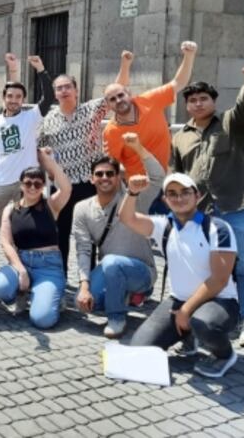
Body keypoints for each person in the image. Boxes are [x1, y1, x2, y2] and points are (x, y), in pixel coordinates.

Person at [171, 62, 244, 348]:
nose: (198, 103)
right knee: (210, 268)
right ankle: (217, 317)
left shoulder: (231, 123)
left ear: (213, 101)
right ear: (187, 106)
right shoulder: (180, 137)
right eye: (192, 100)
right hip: (204, 215)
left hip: (240, 205)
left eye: (203, 98)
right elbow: (176, 177)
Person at [122, 173, 241, 379]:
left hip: (220, 301)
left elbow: (219, 280)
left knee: (204, 323)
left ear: (198, 196)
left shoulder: (217, 229)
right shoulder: (163, 226)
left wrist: (186, 310)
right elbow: (127, 218)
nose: (179, 198)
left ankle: (224, 355)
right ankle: (189, 336)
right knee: (140, 348)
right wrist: (131, 192)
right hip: (178, 300)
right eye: (172, 194)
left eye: (185, 192)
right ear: (165, 200)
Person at [39, 50, 134, 277]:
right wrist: (49, 170)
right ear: (55, 94)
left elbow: (117, 89)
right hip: (64, 186)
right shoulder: (47, 119)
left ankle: (88, 277)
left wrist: (125, 63)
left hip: (89, 184)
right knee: (60, 233)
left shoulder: (90, 109)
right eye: (59, 88)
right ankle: (60, 277)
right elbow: (40, 150)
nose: (63, 91)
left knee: (90, 233)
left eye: (67, 87)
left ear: (76, 90)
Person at [72, 133, 163, 338]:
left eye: (110, 174)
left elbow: (158, 177)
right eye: (100, 174)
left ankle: (117, 316)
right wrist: (84, 286)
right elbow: (83, 250)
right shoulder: (82, 208)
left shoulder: (134, 198)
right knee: (83, 304)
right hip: (109, 271)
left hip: (142, 273)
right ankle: (126, 296)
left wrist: (139, 148)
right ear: (91, 178)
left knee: (112, 262)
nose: (105, 178)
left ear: (118, 177)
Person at [0, 148, 72, 328]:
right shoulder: (11, 209)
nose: (32, 187)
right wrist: (21, 270)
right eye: (28, 183)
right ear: (21, 185)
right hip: (22, 261)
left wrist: (49, 162)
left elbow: (66, 188)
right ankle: (22, 293)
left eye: (37, 184)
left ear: (43, 186)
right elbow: (7, 243)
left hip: (48, 266)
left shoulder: (51, 205)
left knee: (42, 320)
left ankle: (48, 295)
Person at [0, 54, 53, 271]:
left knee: (24, 231)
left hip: (28, 185)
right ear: (3, 98)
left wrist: (41, 69)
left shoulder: (31, 117)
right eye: (10, 96)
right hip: (1, 183)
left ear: (23, 99)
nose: (14, 100)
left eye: (18, 96)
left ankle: (21, 273)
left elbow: (49, 96)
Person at [102, 41, 198, 178]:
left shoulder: (149, 100)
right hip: (139, 186)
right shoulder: (111, 131)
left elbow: (178, 83)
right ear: (108, 105)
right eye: (112, 99)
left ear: (129, 94)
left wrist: (189, 56)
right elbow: (112, 165)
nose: (118, 100)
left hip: (166, 178)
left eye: (121, 95)